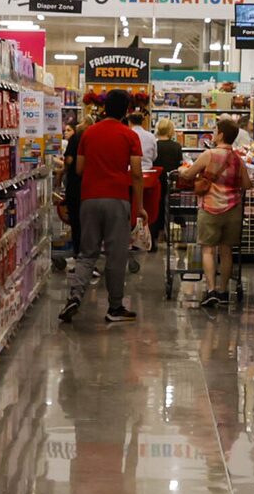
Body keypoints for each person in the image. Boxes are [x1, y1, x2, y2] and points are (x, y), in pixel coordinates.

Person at [60, 88, 146, 325]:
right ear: (127, 111)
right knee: (115, 255)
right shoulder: (130, 136)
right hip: (117, 199)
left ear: (104, 107)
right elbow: (137, 174)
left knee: (87, 253)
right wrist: (139, 206)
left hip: (89, 199)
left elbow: (78, 169)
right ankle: (115, 307)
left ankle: (75, 296)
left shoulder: (88, 133)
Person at [187, 116, 249, 308]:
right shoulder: (238, 159)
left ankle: (211, 289)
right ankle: (223, 292)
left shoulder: (210, 155)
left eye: (215, 131)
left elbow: (189, 174)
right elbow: (247, 184)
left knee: (208, 249)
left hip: (211, 208)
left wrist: (184, 174)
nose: (213, 134)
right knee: (226, 250)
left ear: (221, 134)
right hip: (233, 210)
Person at [149, 120, 184, 250]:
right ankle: (179, 236)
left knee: (157, 207)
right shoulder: (176, 146)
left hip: (157, 180)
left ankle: (155, 237)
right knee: (175, 207)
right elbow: (179, 165)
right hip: (172, 181)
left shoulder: (155, 145)